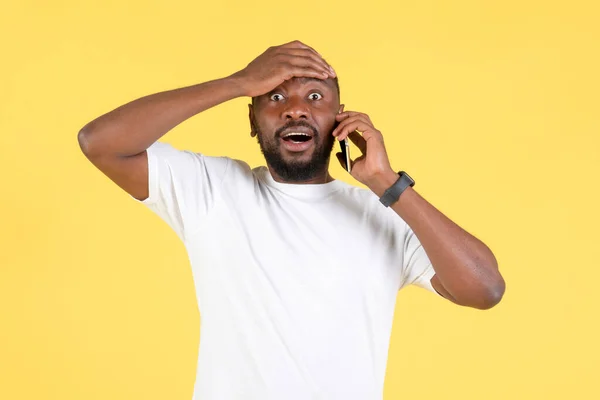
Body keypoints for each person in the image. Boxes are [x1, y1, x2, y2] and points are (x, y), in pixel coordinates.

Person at [78, 40, 505, 400]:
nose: (295, 110)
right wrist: (237, 83)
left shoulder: (384, 216)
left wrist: (388, 183)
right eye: (275, 97)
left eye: (315, 98)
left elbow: (484, 288)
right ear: (252, 120)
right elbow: (100, 142)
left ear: (342, 118)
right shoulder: (213, 190)